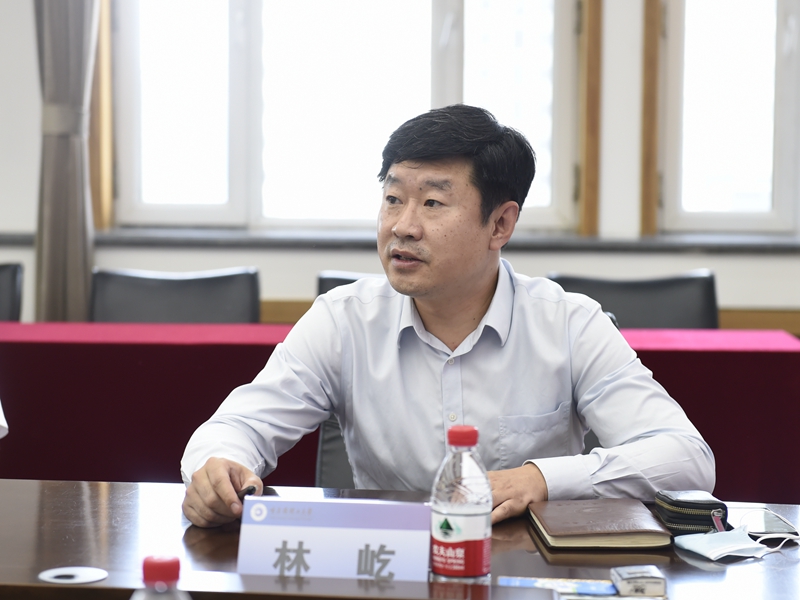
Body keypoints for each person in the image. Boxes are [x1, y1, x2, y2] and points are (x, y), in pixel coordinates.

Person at [181, 105, 715, 528]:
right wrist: (218, 467)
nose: (403, 226)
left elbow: (686, 458)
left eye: (432, 204)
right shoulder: (344, 321)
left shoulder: (570, 325)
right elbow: (238, 426)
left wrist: (540, 479)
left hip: (527, 571)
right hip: (386, 568)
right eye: (393, 198)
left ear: (500, 224)